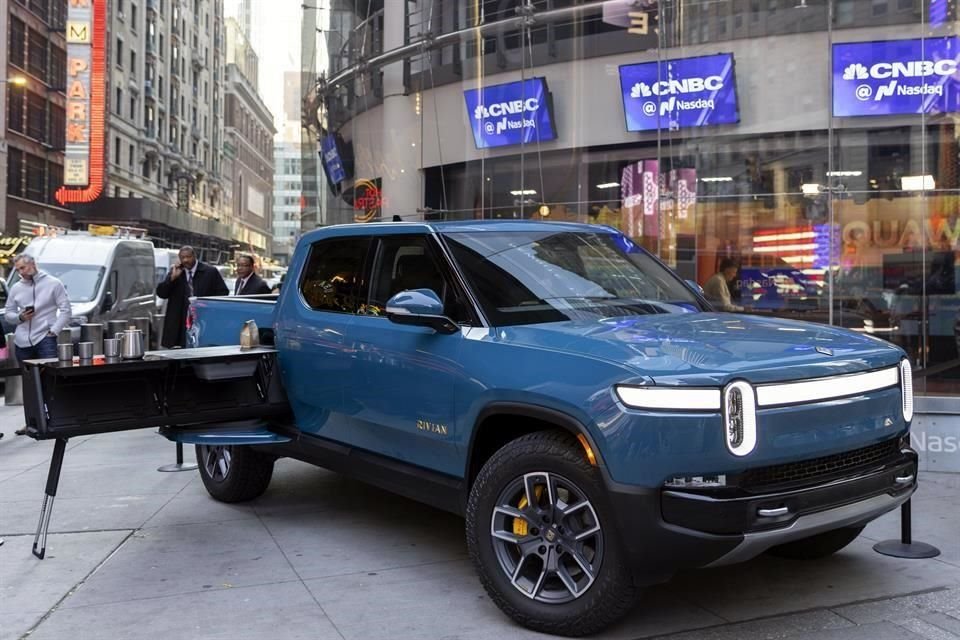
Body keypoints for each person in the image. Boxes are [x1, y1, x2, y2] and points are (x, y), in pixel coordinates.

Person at [4, 254, 72, 435]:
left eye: (23, 268)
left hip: (45, 338)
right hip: (22, 340)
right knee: (29, 384)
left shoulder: (53, 283)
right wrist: (19, 317)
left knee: (49, 379)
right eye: (18, 269)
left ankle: (53, 419)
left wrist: (53, 331)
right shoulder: (17, 288)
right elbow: (8, 313)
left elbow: (66, 310)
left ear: (33, 264)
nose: (21, 272)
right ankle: (31, 422)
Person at [156, 246, 228, 348]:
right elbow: (161, 293)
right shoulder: (176, 272)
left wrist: (208, 306)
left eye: (188, 257)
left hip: (203, 320)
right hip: (179, 323)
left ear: (194, 256)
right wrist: (171, 279)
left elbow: (223, 293)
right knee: (180, 354)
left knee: (200, 350)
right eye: (182, 258)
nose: (185, 260)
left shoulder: (210, 272)